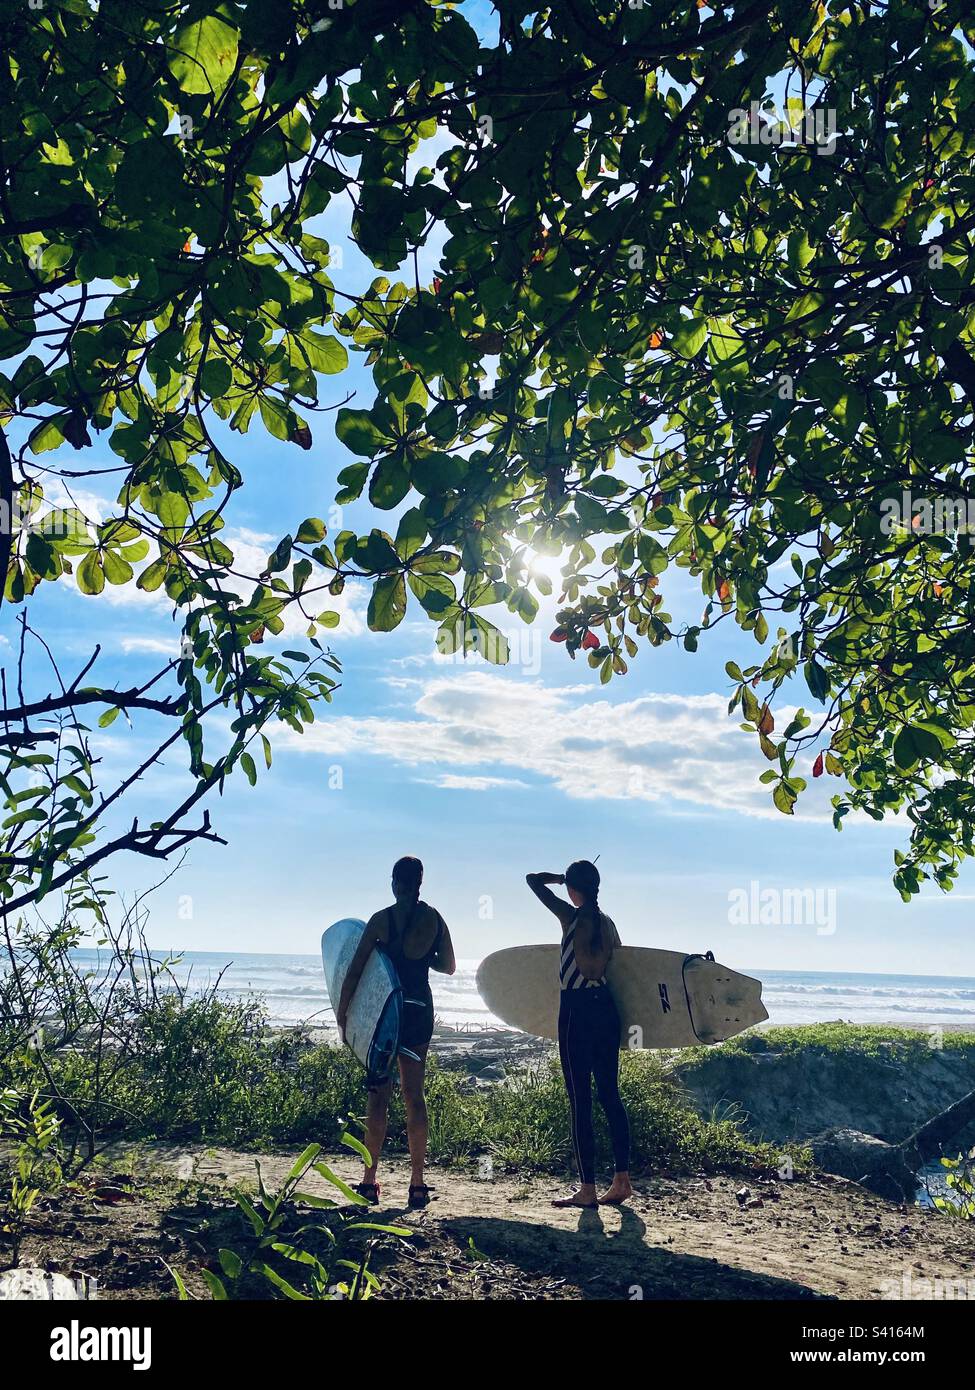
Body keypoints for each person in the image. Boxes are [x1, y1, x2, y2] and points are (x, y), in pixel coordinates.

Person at [336, 856, 455, 1208]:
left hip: (387, 1014)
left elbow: (355, 972)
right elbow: (448, 965)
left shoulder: (380, 921)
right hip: (418, 1011)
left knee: (378, 1098)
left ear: (393, 883)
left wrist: (343, 1017)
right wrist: (423, 958)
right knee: (414, 1096)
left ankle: (369, 1182)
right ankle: (417, 1185)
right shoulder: (434, 919)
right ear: (420, 882)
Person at [526, 860, 632, 1208]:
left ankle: (587, 1188)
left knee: (579, 1101)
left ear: (574, 889)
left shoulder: (571, 917)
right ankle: (621, 1180)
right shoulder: (607, 922)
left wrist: (557, 879)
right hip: (606, 1011)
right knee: (609, 1096)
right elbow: (622, 967)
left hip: (576, 1012)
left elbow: (532, 881)